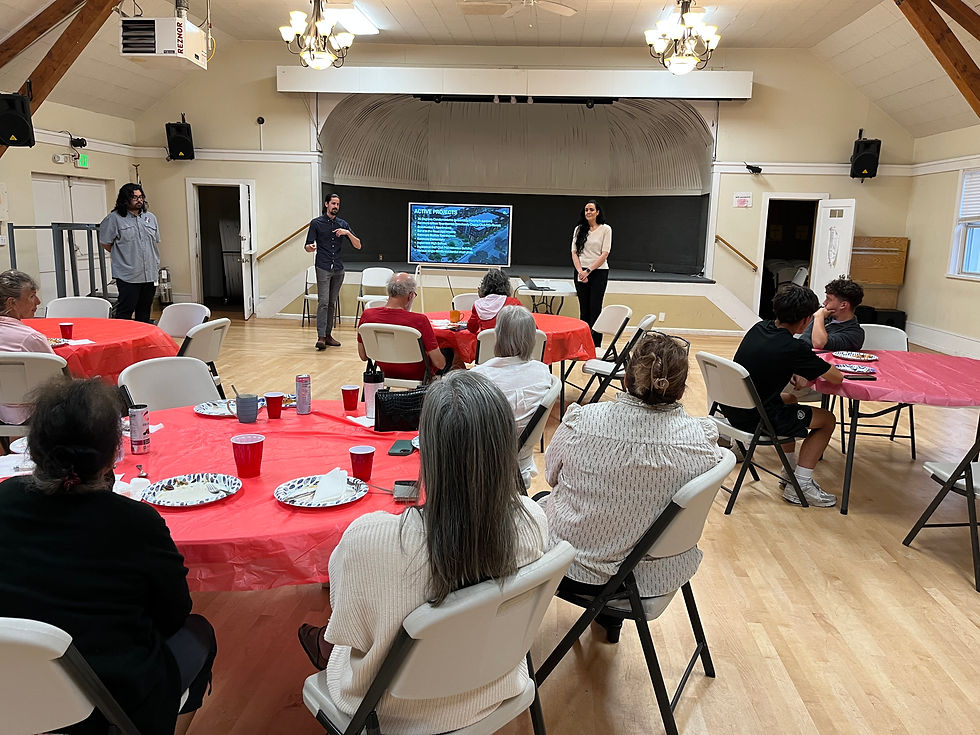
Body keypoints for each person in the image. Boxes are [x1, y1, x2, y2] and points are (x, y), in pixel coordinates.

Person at [296, 371, 547, 733]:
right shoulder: (533, 521)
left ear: (424, 451)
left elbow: (350, 629)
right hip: (496, 687)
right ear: (506, 447)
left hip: (389, 711)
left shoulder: (370, 540)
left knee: (338, 641)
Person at [0, 378, 217, 735]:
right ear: (109, 457)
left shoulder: (6, 498)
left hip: (12, 683)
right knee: (199, 633)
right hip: (108, 701)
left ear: (35, 449)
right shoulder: (136, 522)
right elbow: (174, 614)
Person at [539, 331, 724, 642]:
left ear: (626, 378)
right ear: (681, 389)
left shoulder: (582, 421)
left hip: (573, 567)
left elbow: (551, 476)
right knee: (636, 514)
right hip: (649, 576)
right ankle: (610, 623)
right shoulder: (701, 440)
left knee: (540, 502)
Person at [720, 284, 844, 507]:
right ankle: (801, 486)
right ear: (806, 320)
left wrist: (794, 368)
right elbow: (836, 377)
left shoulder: (759, 328)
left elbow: (770, 360)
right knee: (827, 420)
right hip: (756, 419)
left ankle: (789, 472)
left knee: (789, 399)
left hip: (733, 409)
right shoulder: (793, 348)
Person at [472, 305, 553, 486]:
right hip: (521, 460)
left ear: (498, 336)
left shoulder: (479, 376)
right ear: (532, 338)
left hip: (484, 462)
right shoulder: (542, 371)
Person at [357, 272, 448, 381]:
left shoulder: (367, 315)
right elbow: (440, 364)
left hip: (384, 372)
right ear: (410, 296)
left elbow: (363, 356)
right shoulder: (420, 320)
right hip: (418, 375)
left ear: (389, 292)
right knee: (449, 352)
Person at [0, 269, 57, 426]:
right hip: (30, 412)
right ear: (11, 303)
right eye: (32, 296)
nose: (38, 302)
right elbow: (58, 379)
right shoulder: (30, 338)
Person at [305, 193, 362, 349]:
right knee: (323, 302)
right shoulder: (316, 223)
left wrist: (347, 233)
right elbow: (307, 246)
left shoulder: (343, 224)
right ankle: (321, 337)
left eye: (337, 204)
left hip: (338, 268)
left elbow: (358, 245)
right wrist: (310, 248)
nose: (335, 206)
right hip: (323, 266)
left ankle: (328, 335)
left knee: (331, 303)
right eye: (333, 203)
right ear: (326, 204)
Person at [99, 183, 160, 323]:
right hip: (128, 275)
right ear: (125, 199)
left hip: (149, 274)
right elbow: (106, 243)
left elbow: (154, 242)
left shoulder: (150, 218)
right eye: (134, 197)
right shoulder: (114, 219)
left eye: (141, 197)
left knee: (144, 310)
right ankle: (123, 336)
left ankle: (142, 336)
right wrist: (123, 255)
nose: (139, 200)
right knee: (125, 310)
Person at [571, 199, 612, 347]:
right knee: (584, 310)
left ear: (597, 212)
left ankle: (595, 344)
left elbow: (605, 253)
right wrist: (581, 271)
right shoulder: (579, 229)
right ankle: (583, 343)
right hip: (580, 272)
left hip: (598, 273)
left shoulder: (606, 229)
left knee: (595, 309)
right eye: (586, 210)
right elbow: (574, 252)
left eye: (591, 210)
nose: (588, 212)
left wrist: (588, 270)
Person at [799, 275, 865, 351]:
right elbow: (802, 339)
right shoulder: (825, 316)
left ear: (843, 305)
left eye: (828, 299)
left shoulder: (855, 334)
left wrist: (819, 317)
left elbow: (819, 343)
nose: (824, 303)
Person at [466, 269, 522, 333]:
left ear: (484, 286)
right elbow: (526, 326)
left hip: (486, 339)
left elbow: (472, 329)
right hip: (507, 339)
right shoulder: (514, 303)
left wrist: (482, 298)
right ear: (507, 286)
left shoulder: (478, 305)